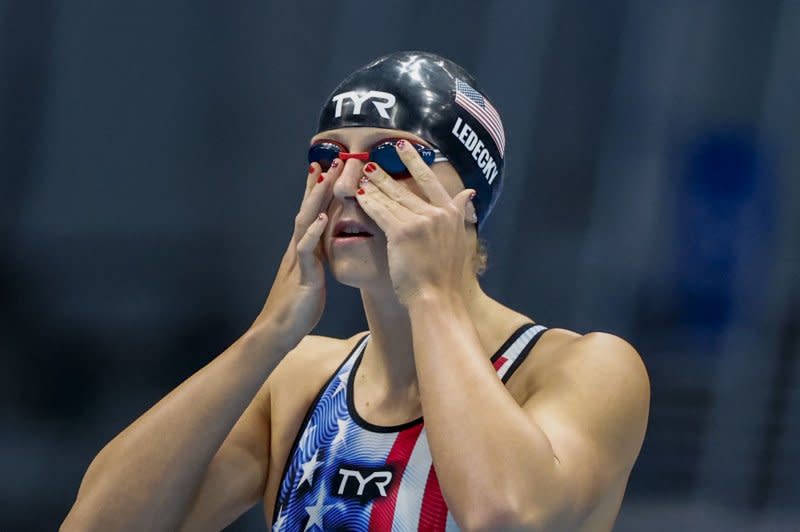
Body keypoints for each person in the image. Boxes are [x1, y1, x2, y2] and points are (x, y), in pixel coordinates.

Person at [62, 51, 649, 532]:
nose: (345, 184)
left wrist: (432, 298)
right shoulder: (299, 384)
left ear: (469, 198)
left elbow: (507, 517)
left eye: (391, 158)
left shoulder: (583, 370)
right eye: (328, 158)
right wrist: (267, 337)